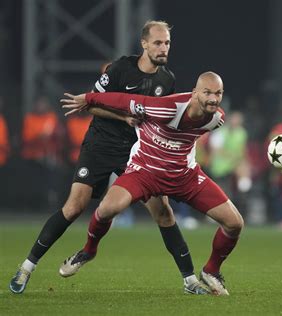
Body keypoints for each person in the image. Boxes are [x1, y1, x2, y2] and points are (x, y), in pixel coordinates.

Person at [10, 20, 207, 295]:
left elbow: (163, 116)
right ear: (144, 44)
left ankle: (189, 281)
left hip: (137, 151)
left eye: (167, 43)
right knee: (74, 206)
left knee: (163, 212)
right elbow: (91, 105)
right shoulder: (120, 69)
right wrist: (123, 116)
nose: (164, 48)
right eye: (158, 43)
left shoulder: (167, 79)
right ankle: (27, 267)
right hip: (100, 145)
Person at [60, 71, 244, 296]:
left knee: (235, 223)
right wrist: (89, 98)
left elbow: (188, 138)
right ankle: (89, 250)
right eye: (207, 93)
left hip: (184, 176)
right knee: (107, 209)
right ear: (195, 93)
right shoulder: (166, 108)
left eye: (218, 93)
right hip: (145, 172)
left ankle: (211, 271)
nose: (213, 99)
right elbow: (124, 101)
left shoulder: (217, 118)